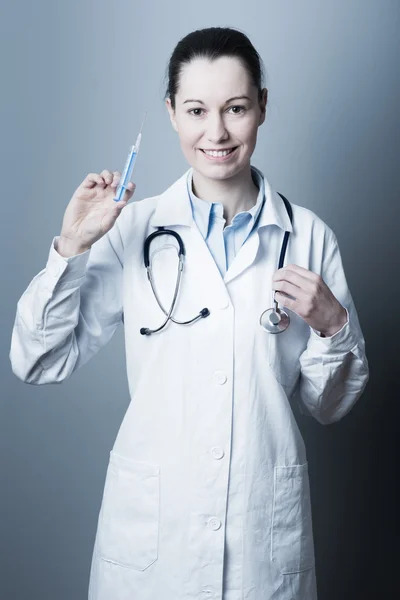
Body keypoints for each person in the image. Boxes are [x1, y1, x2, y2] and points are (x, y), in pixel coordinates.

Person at [10, 26, 369, 600]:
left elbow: (328, 407)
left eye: (236, 108)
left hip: (261, 547)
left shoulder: (308, 238)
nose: (217, 132)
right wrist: (71, 248)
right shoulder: (131, 229)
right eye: (197, 110)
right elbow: (37, 361)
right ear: (172, 113)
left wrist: (333, 328)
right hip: (155, 548)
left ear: (262, 108)